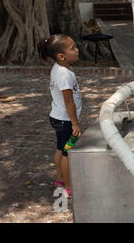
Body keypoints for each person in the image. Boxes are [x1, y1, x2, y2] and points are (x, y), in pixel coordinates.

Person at [37, 34, 82, 199]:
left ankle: (60, 180)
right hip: (66, 121)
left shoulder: (60, 68)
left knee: (60, 148)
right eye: (72, 48)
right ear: (61, 56)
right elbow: (69, 102)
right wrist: (75, 124)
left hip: (58, 118)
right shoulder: (64, 74)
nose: (77, 50)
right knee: (67, 152)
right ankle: (69, 187)